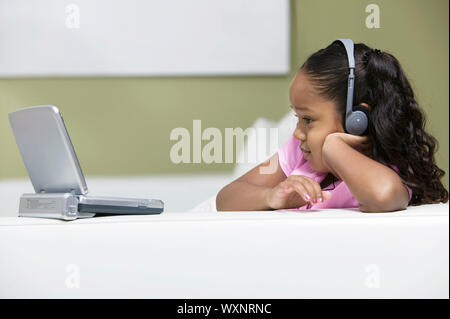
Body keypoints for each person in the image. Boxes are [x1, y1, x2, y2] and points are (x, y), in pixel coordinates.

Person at [216, 40, 449, 212]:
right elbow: (226, 198)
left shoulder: (380, 170)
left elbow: (384, 195)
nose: (297, 132)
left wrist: (334, 148)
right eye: (296, 118)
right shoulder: (297, 154)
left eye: (307, 120)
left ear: (356, 119)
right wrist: (271, 196)